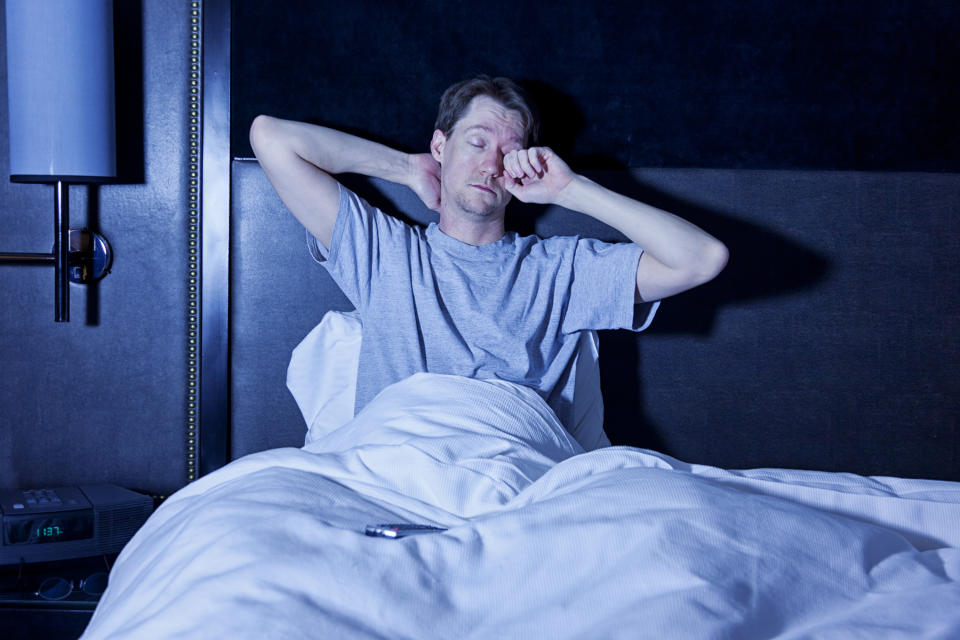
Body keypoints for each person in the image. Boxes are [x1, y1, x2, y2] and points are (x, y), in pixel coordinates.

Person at [250, 75, 728, 436]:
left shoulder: (560, 271)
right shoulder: (385, 252)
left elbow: (702, 258)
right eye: (477, 142)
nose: (490, 164)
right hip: (399, 461)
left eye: (509, 151)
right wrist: (405, 167)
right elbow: (270, 137)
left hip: (511, 468)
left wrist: (569, 189)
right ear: (441, 145)